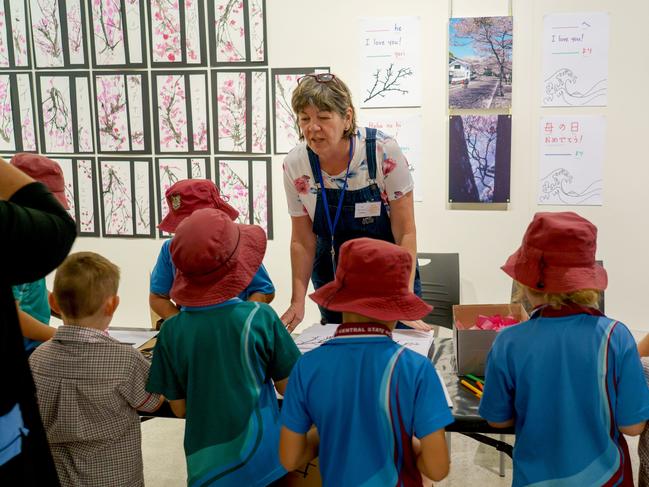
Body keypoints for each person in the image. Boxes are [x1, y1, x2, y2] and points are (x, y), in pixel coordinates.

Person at [479, 211, 649, 486]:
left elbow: (497, 420)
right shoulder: (617, 337)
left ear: (526, 283)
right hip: (608, 480)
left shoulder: (508, 341)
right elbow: (632, 426)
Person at [279, 238, 453, 486]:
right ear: (398, 306)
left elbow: (290, 457)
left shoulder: (307, 366)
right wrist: (405, 445)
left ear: (339, 297)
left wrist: (330, 435)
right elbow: (436, 468)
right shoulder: (417, 369)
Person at [146, 208, 301, 486]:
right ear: (240, 263)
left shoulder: (170, 332)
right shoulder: (259, 317)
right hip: (266, 461)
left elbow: (180, 409)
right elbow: (291, 388)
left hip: (207, 468)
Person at [280, 73, 426, 331]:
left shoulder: (381, 151)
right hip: (334, 277)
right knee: (344, 357)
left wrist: (404, 295)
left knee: (395, 359)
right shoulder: (296, 164)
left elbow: (405, 231)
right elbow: (302, 241)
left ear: (347, 117)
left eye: (323, 118)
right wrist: (297, 301)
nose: (313, 128)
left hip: (388, 275)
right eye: (305, 119)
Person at [29, 252, 163, 487]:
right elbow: (152, 402)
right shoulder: (125, 359)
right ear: (113, 304)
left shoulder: (37, 359)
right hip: (116, 478)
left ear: (52, 303)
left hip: (57, 475)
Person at [0, 156, 76, 485]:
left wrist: (68, 311)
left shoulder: (19, 250)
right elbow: (16, 314)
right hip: (29, 348)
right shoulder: (9, 245)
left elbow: (37, 291)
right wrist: (57, 335)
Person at [150, 179, 275, 321]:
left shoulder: (238, 243)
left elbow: (264, 290)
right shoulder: (170, 249)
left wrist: (241, 321)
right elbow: (157, 297)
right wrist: (183, 325)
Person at [10, 153, 71, 353]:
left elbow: (31, 291)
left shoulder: (30, 239)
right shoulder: (13, 245)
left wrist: (72, 310)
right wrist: (58, 336)